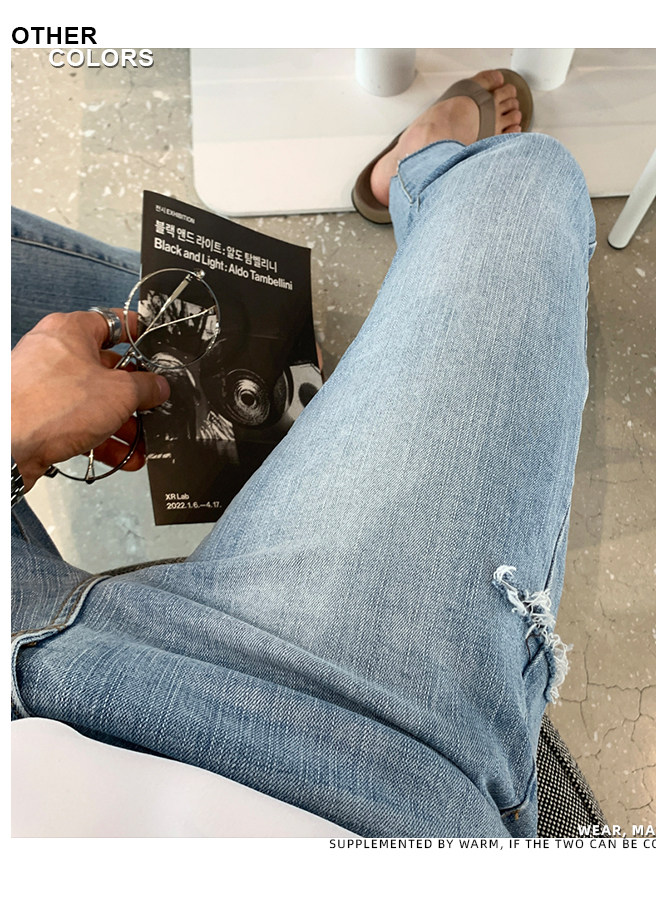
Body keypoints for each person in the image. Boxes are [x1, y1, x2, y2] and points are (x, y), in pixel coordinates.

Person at [11, 70, 596, 838]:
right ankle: (414, 171)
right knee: (521, 185)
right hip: (340, 749)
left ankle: (260, 349)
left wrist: (15, 433)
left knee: (194, 332)